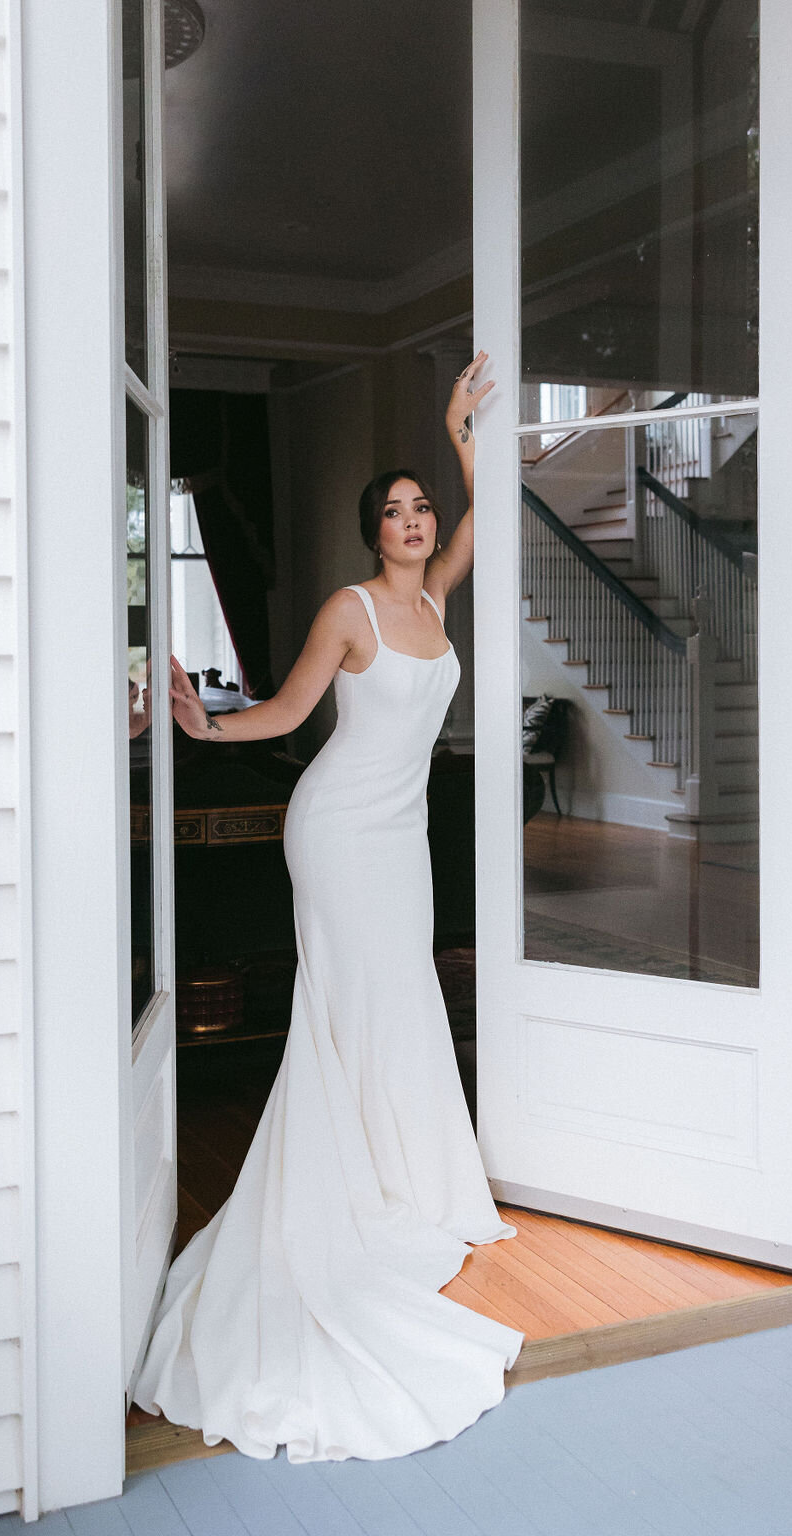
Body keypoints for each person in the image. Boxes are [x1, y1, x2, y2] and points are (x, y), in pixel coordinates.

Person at [133, 351, 524, 1463]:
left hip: (401, 841)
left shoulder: (437, 598)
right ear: (369, 533)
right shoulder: (347, 610)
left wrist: (460, 436)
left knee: (400, 997)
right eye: (392, 512)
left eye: (420, 509)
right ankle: (346, 1186)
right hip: (338, 828)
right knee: (348, 1001)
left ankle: (412, 1179)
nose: (411, 522)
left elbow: (482, 518)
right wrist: (205, 728)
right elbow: (287, 711)